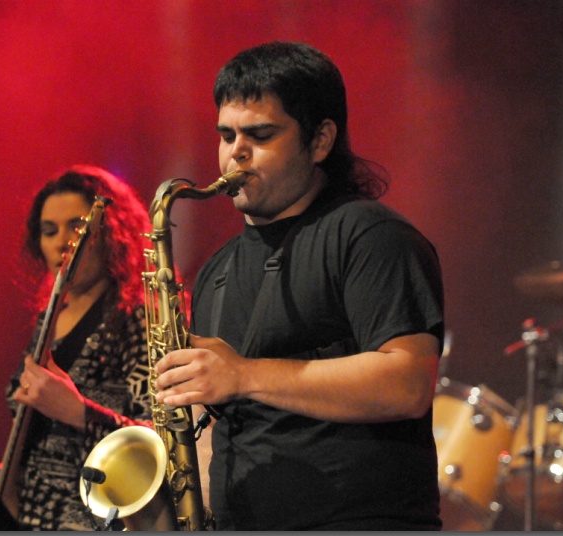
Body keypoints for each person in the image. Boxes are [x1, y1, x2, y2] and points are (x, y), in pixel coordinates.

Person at [154, 42, 445, 530]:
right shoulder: (216, 270)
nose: (235, 152)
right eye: (226, 135)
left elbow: (408, 383)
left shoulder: (371, 235)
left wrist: (243, 374)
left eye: (260, 135)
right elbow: (214, 430)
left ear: (321, 140)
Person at [0, 165, 153, 530]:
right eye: (49, 231)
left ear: (112, 234)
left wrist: (79, 412)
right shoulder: (49, 318)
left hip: (93, 519)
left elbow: (160, 439)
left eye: (77, 227)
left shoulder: (139, 318)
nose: (62, 242)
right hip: (30, 517)